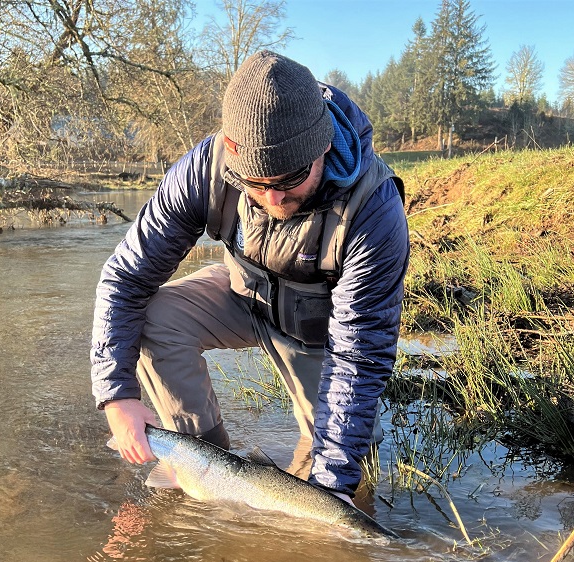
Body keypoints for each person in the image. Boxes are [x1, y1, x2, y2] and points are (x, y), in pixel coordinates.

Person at [91, 50, 409, 504]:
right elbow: (125, 278)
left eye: (291, 178)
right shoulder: (205, 168)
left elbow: (359, 357)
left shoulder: (374, 211)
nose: (273, 197)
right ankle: (205, 471)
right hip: (242, 293)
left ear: (323, 147)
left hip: (321, 330)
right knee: (155, 317)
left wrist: (330, 494)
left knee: (351, 470)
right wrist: (116, 395)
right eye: (255, 183)